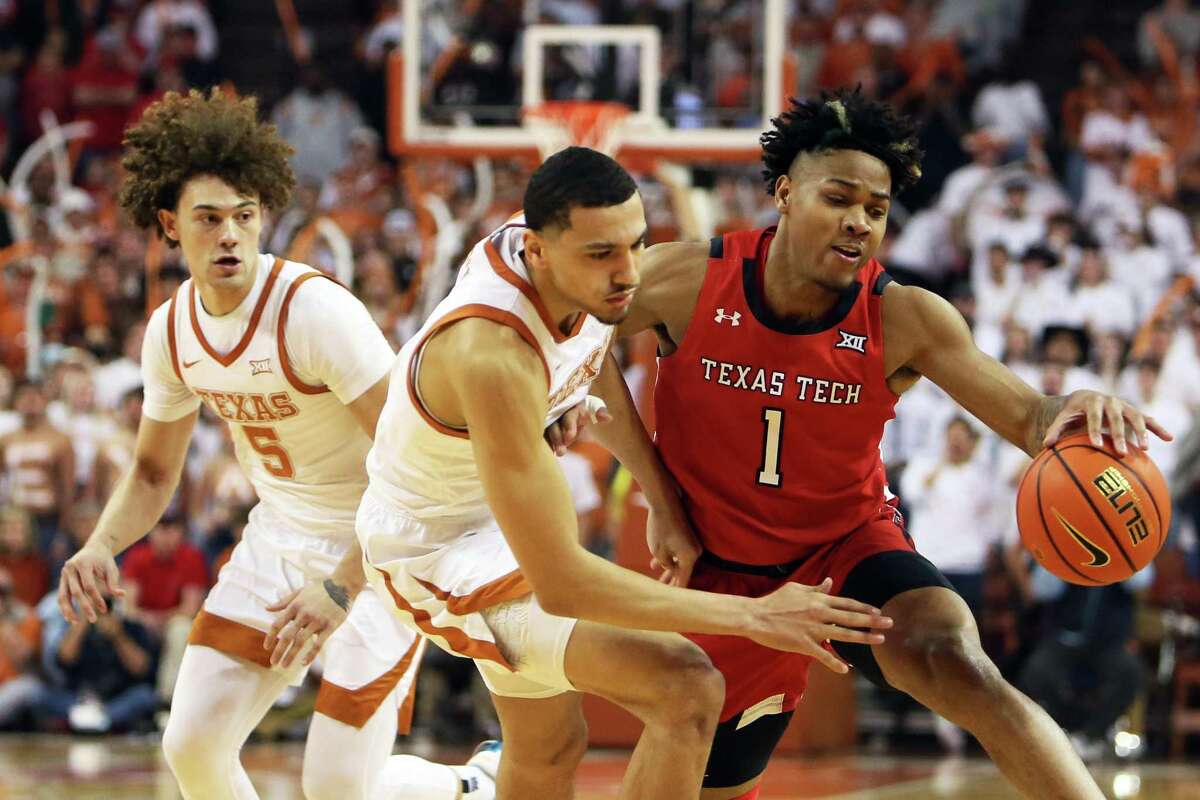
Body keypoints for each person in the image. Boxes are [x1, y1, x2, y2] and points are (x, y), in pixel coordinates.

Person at [608, 89, 1171, 799]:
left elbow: (1031, 417)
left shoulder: (904, 317)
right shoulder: (688, 278)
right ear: (784, 192)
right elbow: (577, 338)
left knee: (956, 660)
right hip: (720, 575)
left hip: (845, 555)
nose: (858, 222)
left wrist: (1076, 406)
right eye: (839, 198)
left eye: (875, 211)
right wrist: (657, 495)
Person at [356, 146, 894, 800]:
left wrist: (653, 491)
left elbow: (582, 360)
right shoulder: (492, 357)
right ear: (537, 250)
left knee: (550, 748)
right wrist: (755, 616)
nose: (627, 273)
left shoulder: (567, 267)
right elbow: (563, 586)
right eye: (602, 254)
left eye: (636, 245)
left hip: (496, 519)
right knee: (687, 685)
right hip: (433, 551)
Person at [56, 89, 496, 800]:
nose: (229, 233)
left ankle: (474, 785)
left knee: (337, 792)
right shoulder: (171, 332)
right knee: (192, 748)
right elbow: (149, 473)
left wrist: (344, 584)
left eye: (245, 216)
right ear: (170, 225)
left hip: (380, 548)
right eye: (209, 219)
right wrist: (103, 545)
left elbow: (415, 465)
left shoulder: (314, 311)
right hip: (280, 539)